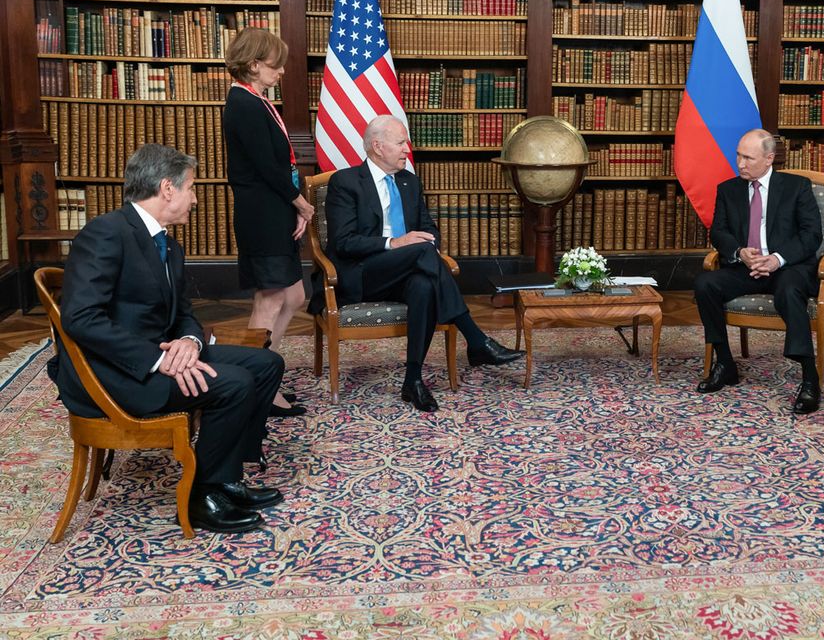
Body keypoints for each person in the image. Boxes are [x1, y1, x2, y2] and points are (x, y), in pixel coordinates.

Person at [50, 144, 285, 534]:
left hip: (155, 356)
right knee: (235, 383)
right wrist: (159, 361)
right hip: (115, 374)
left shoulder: (169, 245)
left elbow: (184, 315)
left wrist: (189, 343)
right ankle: (201, 497)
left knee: (266, 364)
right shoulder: (106, 233)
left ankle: (226, 479)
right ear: (167, 188)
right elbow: (81, 318)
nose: (195, 199)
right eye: (191, 188)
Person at [315, 115, 521, 412]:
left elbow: (429, 229)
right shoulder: (346, 182)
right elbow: (343, 243)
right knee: (422, 252)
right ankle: (476, 340)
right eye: (400, 143)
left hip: (407, 271)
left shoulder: (409, 182)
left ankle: (413, 380)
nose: (406, 149)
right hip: (362, 273)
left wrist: (425, 243)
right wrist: (394, 242)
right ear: (377, 146)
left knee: (424, 284)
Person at [693, 129, 824, 414]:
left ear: (769, 158)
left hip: (785, 268)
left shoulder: (796, 187)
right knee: (705, 284)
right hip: (745, 267)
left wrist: (777, 258)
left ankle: (809, 377)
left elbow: (811, 234)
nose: (740, 164)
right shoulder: (728, 190)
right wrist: (739, 252)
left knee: (790, 291)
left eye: (748, 158)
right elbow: (718, 232)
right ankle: (725, 363)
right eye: (738, 156)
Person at [223, 28, 315, 418]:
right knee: (270, 299)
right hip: (261, 216)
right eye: (275, 65)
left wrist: (292, 207)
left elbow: (280, 165)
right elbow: (266, 167)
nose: (281, 71)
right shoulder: (242, 104)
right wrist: (302, 204)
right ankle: (254, 388)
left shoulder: (257, 101)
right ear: (253, 64)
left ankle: (266, 377)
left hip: (274, 210)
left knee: (293, 297)